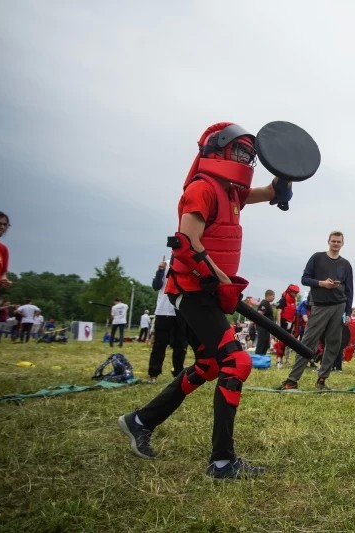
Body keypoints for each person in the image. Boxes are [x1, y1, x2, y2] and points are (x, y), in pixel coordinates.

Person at [119, 121, 293, 479]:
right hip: (193, 291)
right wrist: (218, 277)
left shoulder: (231, 192)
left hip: (209, 292)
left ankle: (140, 420)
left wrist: (286, 174)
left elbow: (269, 192)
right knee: (236, 363)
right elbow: (186, 241)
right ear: (219, 149)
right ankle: (222, 462)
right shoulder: (203, 188)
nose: (246, 158)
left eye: (250, 154)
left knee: (208, 366)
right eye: (240, 151)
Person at [279, 231, 353, 390]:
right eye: (333, 241)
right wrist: (322, 283)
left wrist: (347, 313)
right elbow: (304, 279)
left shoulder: (346, 264)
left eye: (338, 242)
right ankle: (292, 380)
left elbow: (349, 290)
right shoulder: (317, 257)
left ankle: (322, 380)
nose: (335, 244)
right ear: (328, 241)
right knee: (307, 342)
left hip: (339, 306)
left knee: (334, 344)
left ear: (342, 244)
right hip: (319, 306)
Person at [147, 258, 188, 384]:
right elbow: (156, 286)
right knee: (160, 344)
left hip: (181, 311)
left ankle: (178, 374)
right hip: (164, 311)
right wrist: (160, 270)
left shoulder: (188, 263)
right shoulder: (166, 264)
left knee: (180, 345)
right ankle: (153, 373)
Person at [275, 284, 300, 368]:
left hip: (290, 324)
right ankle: (278, 361)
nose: (296, 294)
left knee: (286, 342)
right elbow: (279, 312)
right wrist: (278, 325)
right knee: (281, 342)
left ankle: (283, 360)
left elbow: (294, 313)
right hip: (283, 323)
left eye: (297, 293)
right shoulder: (283, 300)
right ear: (290, 291)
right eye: (294, 292)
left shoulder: (294, 301)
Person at [254, 289, 275, 355]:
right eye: (273, 296)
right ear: (268, 295)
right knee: (262, 342)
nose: (274, 298)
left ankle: (262, 356)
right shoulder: (264, 303)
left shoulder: (267, 303)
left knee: (266, 343)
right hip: (262, 326)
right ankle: (258, 357)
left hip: (266, 327)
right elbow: (259, 314)